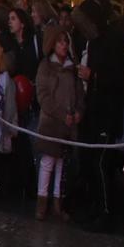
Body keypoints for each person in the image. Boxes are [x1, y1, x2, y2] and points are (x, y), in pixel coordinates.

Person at [33, 24, 82, 220]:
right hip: (51, 123)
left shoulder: (72, 68)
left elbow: (79, 94)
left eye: (66, 41)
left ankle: (57, 204)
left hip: (68, 126)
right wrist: (61, 114)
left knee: (61, 164)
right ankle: (41, 204)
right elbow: (43, 96)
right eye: (60, 41)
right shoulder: (46, 66)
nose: (64, 44)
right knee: (47, 163)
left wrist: (79, 111)